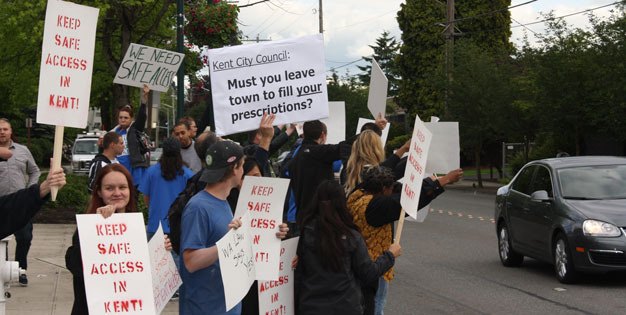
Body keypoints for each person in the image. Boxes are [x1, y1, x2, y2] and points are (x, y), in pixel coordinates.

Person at [179, 140, 288, 315]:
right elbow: (190, 261)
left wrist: (272, 233)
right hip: (205, 308)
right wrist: (229, 242)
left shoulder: (223, 202)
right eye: (243, 165)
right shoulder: (198, 207)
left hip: (227, 306)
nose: (243, 171)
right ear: (234, 168)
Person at [348, 166, 462, 315]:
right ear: (383, 189)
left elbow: (400, 192)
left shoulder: (357, 194)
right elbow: (406, 202)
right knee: (376, 306)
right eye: (390, 188)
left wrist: (429, 181)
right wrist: (443, 181)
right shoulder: (376, 206)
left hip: (359, 265)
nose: (392, 191)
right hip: (375, 267)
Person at [65, 164, 172, 315]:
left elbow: (142, 272)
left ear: (130, 190)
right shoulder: (88, 226)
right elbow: (74, 265)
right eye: (109, 188)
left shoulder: (135, 227)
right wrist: (93, 230)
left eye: (122, 187)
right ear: (99, 192)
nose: (117, 193)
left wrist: (160, 250)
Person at [295, 180, 401, 315]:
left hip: (311, 306)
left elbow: (298, 274)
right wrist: (390, 255)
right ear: (341, 203)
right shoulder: (351, 236)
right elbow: (368, 273)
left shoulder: (305, 232)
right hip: (345, 306)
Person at [288, 120, 355, 231]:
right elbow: (345, 146)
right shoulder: (319, 152)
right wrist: (372, 129)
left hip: (301, 217)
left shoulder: (295, 157)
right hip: (319, 219)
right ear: (323, 135)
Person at [0, 118, 41, 286]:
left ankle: (20, 268)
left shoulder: (23, 150)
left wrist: (30, 191)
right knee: (2, 241)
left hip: (21, 202)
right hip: (1, 204)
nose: (2, 132)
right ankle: (4, 270)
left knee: (24, 237)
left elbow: (35, 171)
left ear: (11, 131)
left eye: (5, 129)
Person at [139, 137, 193, 240]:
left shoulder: (151, 172)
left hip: (155, 226)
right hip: (179, 227)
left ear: (163, 151)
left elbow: (146, 199)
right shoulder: (188, 175)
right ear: (179, 151)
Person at [1, 167, 66, 239]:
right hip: (12, 197)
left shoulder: (24, 155)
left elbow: (34, 171)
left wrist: (41, 188)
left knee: (25, 237)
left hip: (19, 198)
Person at [111, 85, 150, 185]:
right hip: (118, 170)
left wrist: (144, 100)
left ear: (131, 119)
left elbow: (142, 117)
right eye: (120, 117)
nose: (123, 120)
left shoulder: (135, 129)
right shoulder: (114, 132)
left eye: (126, 118)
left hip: (134, 170)